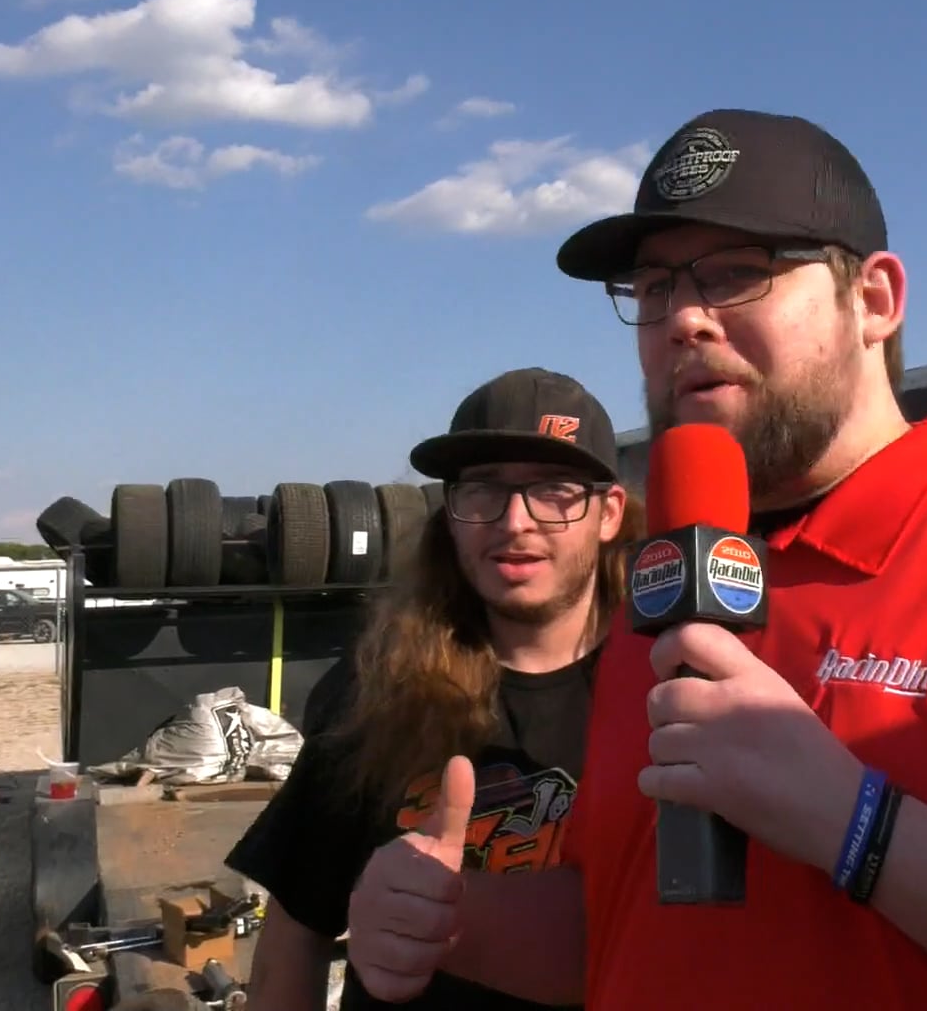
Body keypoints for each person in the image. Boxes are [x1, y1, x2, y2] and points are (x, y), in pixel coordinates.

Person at [346, 110, 927, 1010]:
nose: (684, 317)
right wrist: (452, 920)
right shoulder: (659, 578)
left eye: (735, 271)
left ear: (875, 299)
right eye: (653, 288)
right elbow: (633, 929)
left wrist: (859, 828)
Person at [227, 366, 638, 1010]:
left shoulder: (665, 691)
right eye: (482, 491)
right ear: (450, 514)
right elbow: (296, 928)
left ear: (608, 513)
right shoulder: (379, 689)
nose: (515, 522)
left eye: (554, 491)